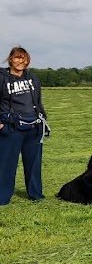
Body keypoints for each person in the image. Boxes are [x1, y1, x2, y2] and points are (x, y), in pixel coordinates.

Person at [0, 46, 47, 204]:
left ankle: (36, 195)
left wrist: (43, 119)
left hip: (34, 127)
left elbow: (38, 101)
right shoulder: (2, 78)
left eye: (24, 59)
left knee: (34, 164)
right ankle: (2, 197)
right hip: (11, 127)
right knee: (6, 165)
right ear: (10, 59)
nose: (21, 61)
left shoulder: (33, 78)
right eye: (17, 58)